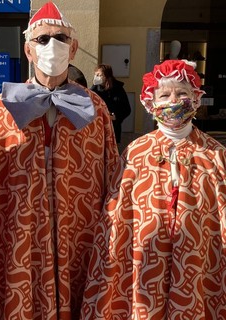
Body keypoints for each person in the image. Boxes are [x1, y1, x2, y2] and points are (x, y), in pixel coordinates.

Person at [0, 2, 119, 319]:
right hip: (20, 243)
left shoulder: (94, 109)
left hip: (78, 239)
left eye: (60, 38)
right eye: (42, 39)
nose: (51, 45)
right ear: (28, 50)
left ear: (73, 49)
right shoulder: (1, 109)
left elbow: (112, 178)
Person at [80, 59, 226, 319]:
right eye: (165, 94)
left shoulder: (216, 155)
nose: (174, 100)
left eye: (182, 93)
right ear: (151, 102)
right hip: (144, 266)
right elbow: (116, 217)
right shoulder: (135, 153)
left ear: (196, 98)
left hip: (197, 266)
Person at [91, 64, 131, 143]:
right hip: (98, 129)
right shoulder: (94, 89)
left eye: (99, 75)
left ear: (106, 76)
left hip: (112, 128)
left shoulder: (118, 89)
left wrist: (116, 117)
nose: (96, 77)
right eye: (95, 75)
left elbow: (127, 109)